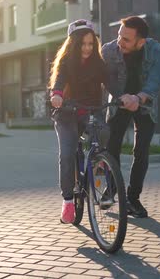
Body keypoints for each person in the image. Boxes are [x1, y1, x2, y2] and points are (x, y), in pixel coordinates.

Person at [102, 16, 160, 218]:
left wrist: (138, 98)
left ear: (141, 42)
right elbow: (106, 78)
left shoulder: (158, 51)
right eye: (119, 35)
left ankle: (133, 198)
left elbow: (156, 83)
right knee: (112, 148)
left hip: (144, 104)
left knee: (141, 152)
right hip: (119, 102)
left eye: (126, 39)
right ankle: (111, 188)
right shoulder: (108, 50)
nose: (120, 42)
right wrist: (123, 97)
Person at [48, 19, 109, 224]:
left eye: (91, 44)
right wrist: (57, 95)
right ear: (74, 44)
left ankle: (100, 178)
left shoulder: (98, 63)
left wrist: (125, 96)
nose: (87, 48)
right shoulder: (66, 63)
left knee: (102, 138)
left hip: (90, 110)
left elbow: (110, 82)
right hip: (67, 112)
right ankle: (67, 201)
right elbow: (59, 81)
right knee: (67, 154)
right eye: (83, 44)